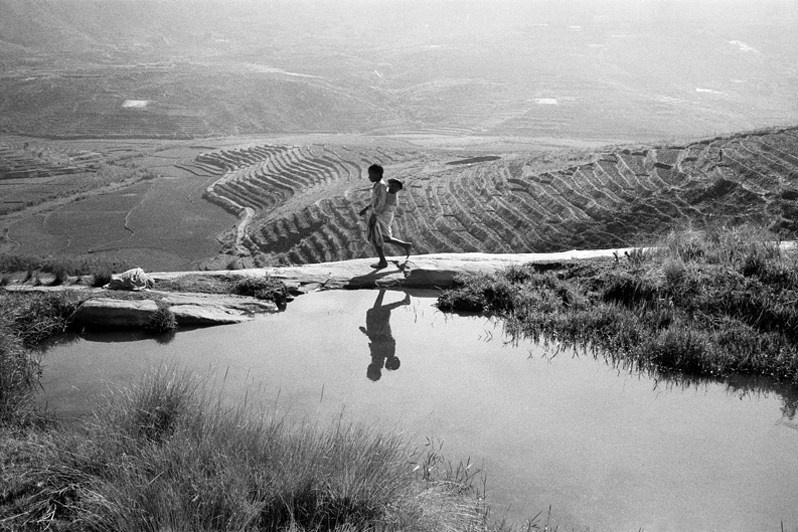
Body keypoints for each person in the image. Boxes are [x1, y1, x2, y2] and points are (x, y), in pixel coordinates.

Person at [358, 164, 412, 269]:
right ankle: (405, 245)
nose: (369, 177)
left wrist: (374, 214)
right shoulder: (379, 185)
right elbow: (376, 200)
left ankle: (383, 261)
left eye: (370, 174)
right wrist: (367, 208)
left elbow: (381, 203)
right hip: (380, 214)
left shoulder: (381, 186)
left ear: (377, 174)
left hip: (380, 215)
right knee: (383, 237)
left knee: (376, 237)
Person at [359, 289, 411, 381]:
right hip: (379, 333)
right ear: (373, 370)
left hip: (375, 333)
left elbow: (376, 347)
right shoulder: (378, 362)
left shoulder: (379, 361)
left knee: (375, 311)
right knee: (377, 311)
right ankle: (385, 292)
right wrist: (369, 333)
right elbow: (381, 345)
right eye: (369, 370)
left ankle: (397, 298)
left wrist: (366, 333)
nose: (368, 368)